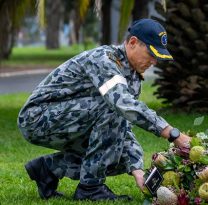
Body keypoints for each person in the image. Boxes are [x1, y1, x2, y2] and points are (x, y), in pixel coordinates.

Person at [17, 19, 191, 201]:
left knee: (117, 157)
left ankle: (48, 169)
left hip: (67, 119)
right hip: (36, 118)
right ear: (132, 43)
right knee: (114, 108)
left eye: (158, 57)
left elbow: (121, 128)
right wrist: (173, 134)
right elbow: (122, 105)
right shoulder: (105, 59)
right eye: (151, 54)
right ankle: (90, 189)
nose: (154, 62)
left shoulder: (131, 77)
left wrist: (137, 169)